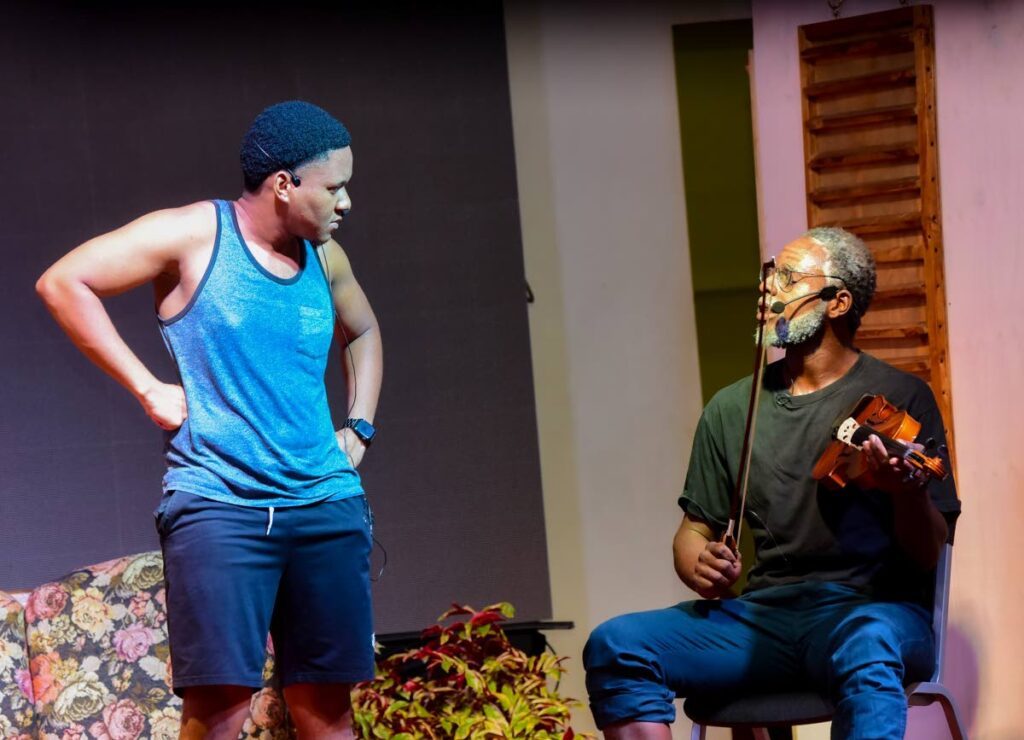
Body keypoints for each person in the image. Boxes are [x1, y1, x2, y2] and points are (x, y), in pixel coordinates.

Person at [36, 100, 382, 740]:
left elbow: (361, 330)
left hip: (325, 506)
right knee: (219, 712)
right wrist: (146, 387)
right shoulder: (194, 235)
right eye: (334, 187)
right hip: (221, 505)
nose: (346, 203)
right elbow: (65, 282)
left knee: (327, 715)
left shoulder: (325, 260)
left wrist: (358, 427)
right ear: (285, 184)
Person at [583, 227, 961, 739]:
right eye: (768, 277)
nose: (767, 291)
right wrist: (699, 563)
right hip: (765, 619)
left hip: (875, 614)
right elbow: (693, 531)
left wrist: (906, 491)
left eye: (786, 278)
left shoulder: (901, 396)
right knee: (618, 645)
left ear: (837, 302)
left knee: (867, 642)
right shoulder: (732, 408)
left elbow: (928, 553)